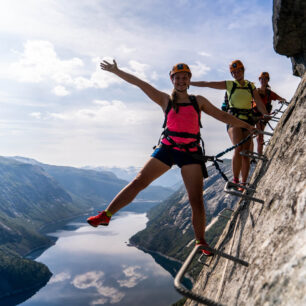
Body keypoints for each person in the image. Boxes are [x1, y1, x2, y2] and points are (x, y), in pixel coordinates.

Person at [87, 60, 256, 255]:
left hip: (190, 152)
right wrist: (117, 71)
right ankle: (106, 215)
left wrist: (246, 126)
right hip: (168, 148)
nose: (181, 81)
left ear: (189, 80)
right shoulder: (165, 100)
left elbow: (223, 116)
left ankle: (200, 241)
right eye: (178, 78)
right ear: (172, 79)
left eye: (185, 78)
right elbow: (140, 83)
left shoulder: (198, 101)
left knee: (196, 200)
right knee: (139, 181)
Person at [190, 60, 268, 190]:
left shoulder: (250, 86)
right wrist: (190, 82)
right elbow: (208, 84)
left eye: (238, 71)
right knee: (238, 148)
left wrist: (265, 114)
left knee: (247, 152)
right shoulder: (230, 84)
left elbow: (258, 102)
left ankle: (243, 182)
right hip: (233, 120)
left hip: (248, 120)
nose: (236, 74)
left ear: (243, 71)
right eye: (234, 72)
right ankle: (236, 180)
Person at [253, 72, 285, 155]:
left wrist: (281, 100)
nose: (263, 80)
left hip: (264, 116)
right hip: (256, 115)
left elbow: (280, 98)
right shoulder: (255, 91)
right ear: (259, 80)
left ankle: (260, 153)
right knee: (259, 135)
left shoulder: (269, 93)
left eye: (265, 79)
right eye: (262, 79)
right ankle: (259, 153)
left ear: (267, 80)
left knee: (260, 134)